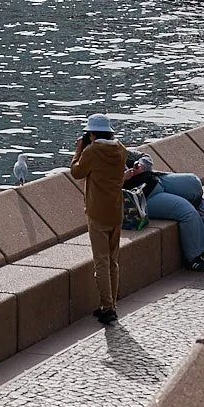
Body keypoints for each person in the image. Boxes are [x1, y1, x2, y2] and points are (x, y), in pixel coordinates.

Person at [69, 114, 128, 327]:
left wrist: (79, 150)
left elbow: (77, 172)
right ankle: (112, 302)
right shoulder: (120, 148)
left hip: (97, 212)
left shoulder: (93, 151)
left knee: (101, 261)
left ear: (91, 134)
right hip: (116, 210)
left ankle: (108, 307)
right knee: (113, 259)